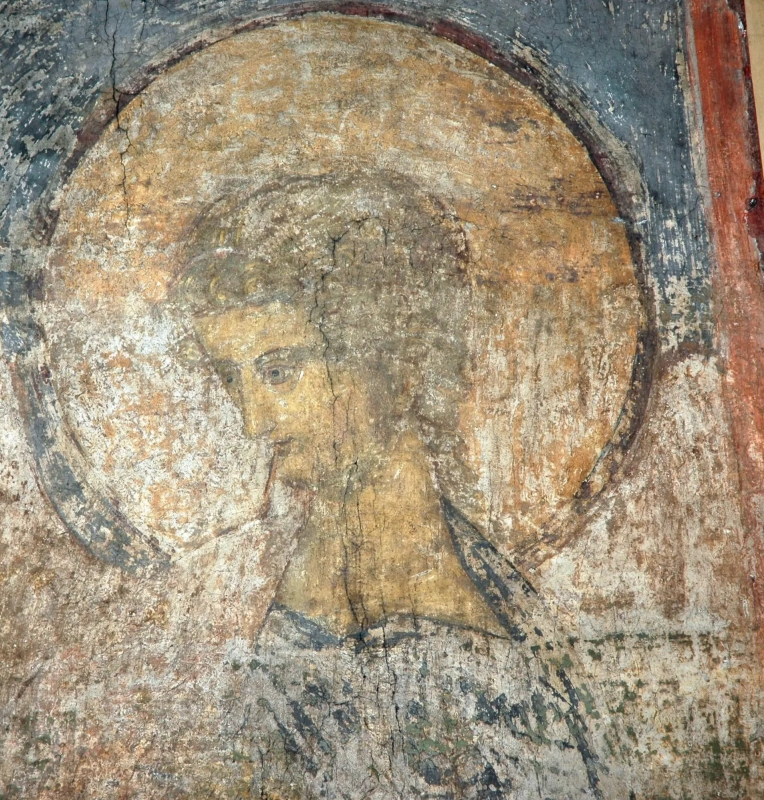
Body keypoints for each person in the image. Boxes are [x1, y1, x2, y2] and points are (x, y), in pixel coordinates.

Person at [172, 172, 607, 798]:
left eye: (280, 372)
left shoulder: (490, 633)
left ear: (398, 366)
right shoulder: (246, 588)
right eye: (231, 379)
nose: (253, 422)